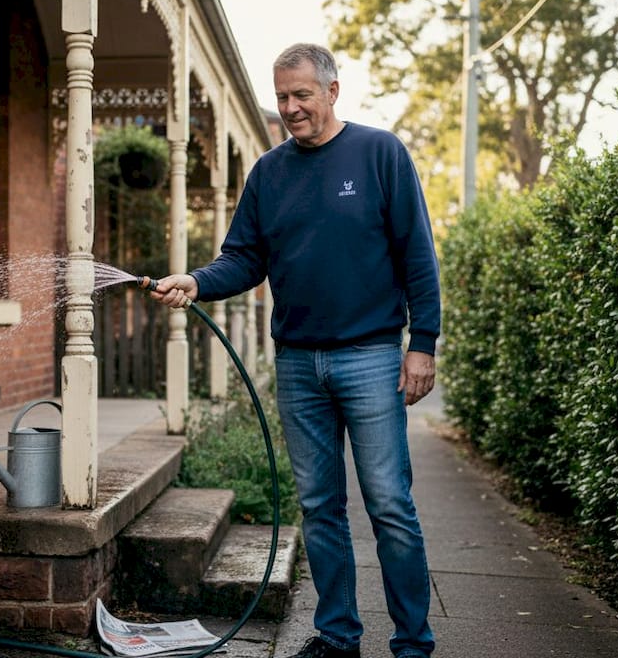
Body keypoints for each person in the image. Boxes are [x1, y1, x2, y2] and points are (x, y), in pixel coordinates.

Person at [149, 43, 439, 658]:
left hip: (371, 358)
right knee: (320, 507)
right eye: (282, 97)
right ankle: (337, 637)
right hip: (299, 364)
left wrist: (424, 345)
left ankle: (413, 642)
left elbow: (418, 252)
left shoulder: (380, 153)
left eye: (302, 94)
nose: (290, 108)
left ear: (333, 91)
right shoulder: (269, 172)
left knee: (388, 503)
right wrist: (198, 281)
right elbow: (245, 258)